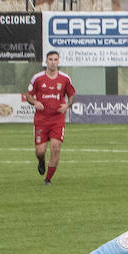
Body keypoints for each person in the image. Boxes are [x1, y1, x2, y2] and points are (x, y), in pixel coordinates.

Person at [25, 51, 75, 184]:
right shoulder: (38, 78)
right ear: (46, 62)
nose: (53, 62)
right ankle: (41, 161)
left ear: (58, 61)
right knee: (40, 151)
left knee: (55, 147)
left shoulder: (65, 78)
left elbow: (71, 96)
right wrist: (35, 102)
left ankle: (48, 179)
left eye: (55, 59)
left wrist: (67, 105)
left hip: (57, 119)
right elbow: (28, 95)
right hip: (41, 120)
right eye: (50, 59)